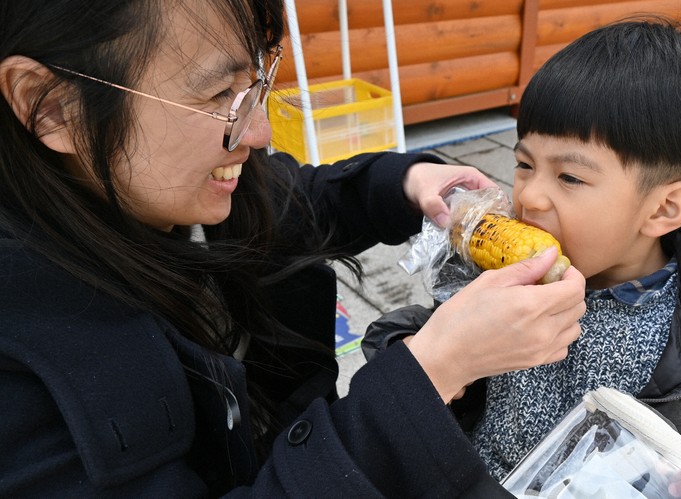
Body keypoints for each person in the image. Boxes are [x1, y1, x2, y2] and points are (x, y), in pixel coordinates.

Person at [0, 1, 590, 497]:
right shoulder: (24, 362)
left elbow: (293, 201)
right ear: (54, 107)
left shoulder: (182, 188)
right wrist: (430, 375)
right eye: (218, 96)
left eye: (255, 82)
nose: (257, 134)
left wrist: (403, 184)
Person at [364, 18, 681, 497]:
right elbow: (429, 335)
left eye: (569, 178)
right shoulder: (496, 276)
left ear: (662, 209)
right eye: (525, 164)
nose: (530, 197)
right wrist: (417, 352)